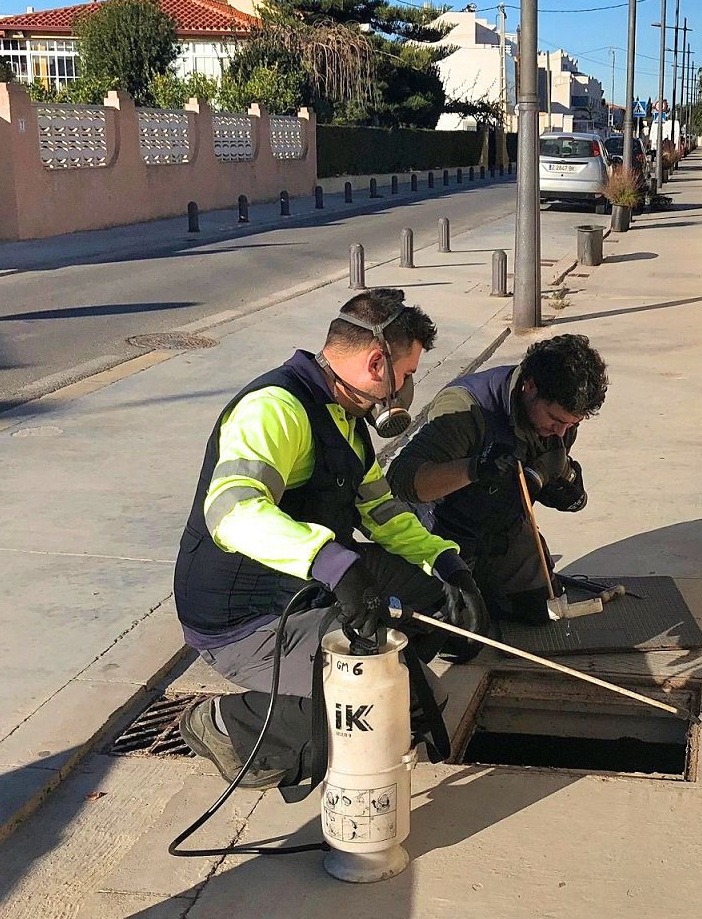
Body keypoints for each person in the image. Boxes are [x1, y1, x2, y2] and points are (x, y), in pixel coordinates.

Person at [172, 288, 488, 788]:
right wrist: (332, 564)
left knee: (434, 606)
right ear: (377, 363)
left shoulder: (347, 418)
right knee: (393, 703)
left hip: (297, 593)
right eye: (407, 375)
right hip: (244, 622)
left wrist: (447, 564)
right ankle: (229, 726)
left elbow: (383, 514)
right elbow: (231, 511)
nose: (407, 389)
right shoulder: (276, 409)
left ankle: (359, 667)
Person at [386, 334, 608, 624]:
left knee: (538, 611)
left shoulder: (558, 426)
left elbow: (544, 488)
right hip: (443, 530)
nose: (561, 432)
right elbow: (401, 480)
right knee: (460, 632)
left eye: (572, 424)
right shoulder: (466, 408)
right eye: (555, 419)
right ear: (530, 386)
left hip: (502, 527)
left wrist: (559, 479)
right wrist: (473, 468)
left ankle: (488, 586)